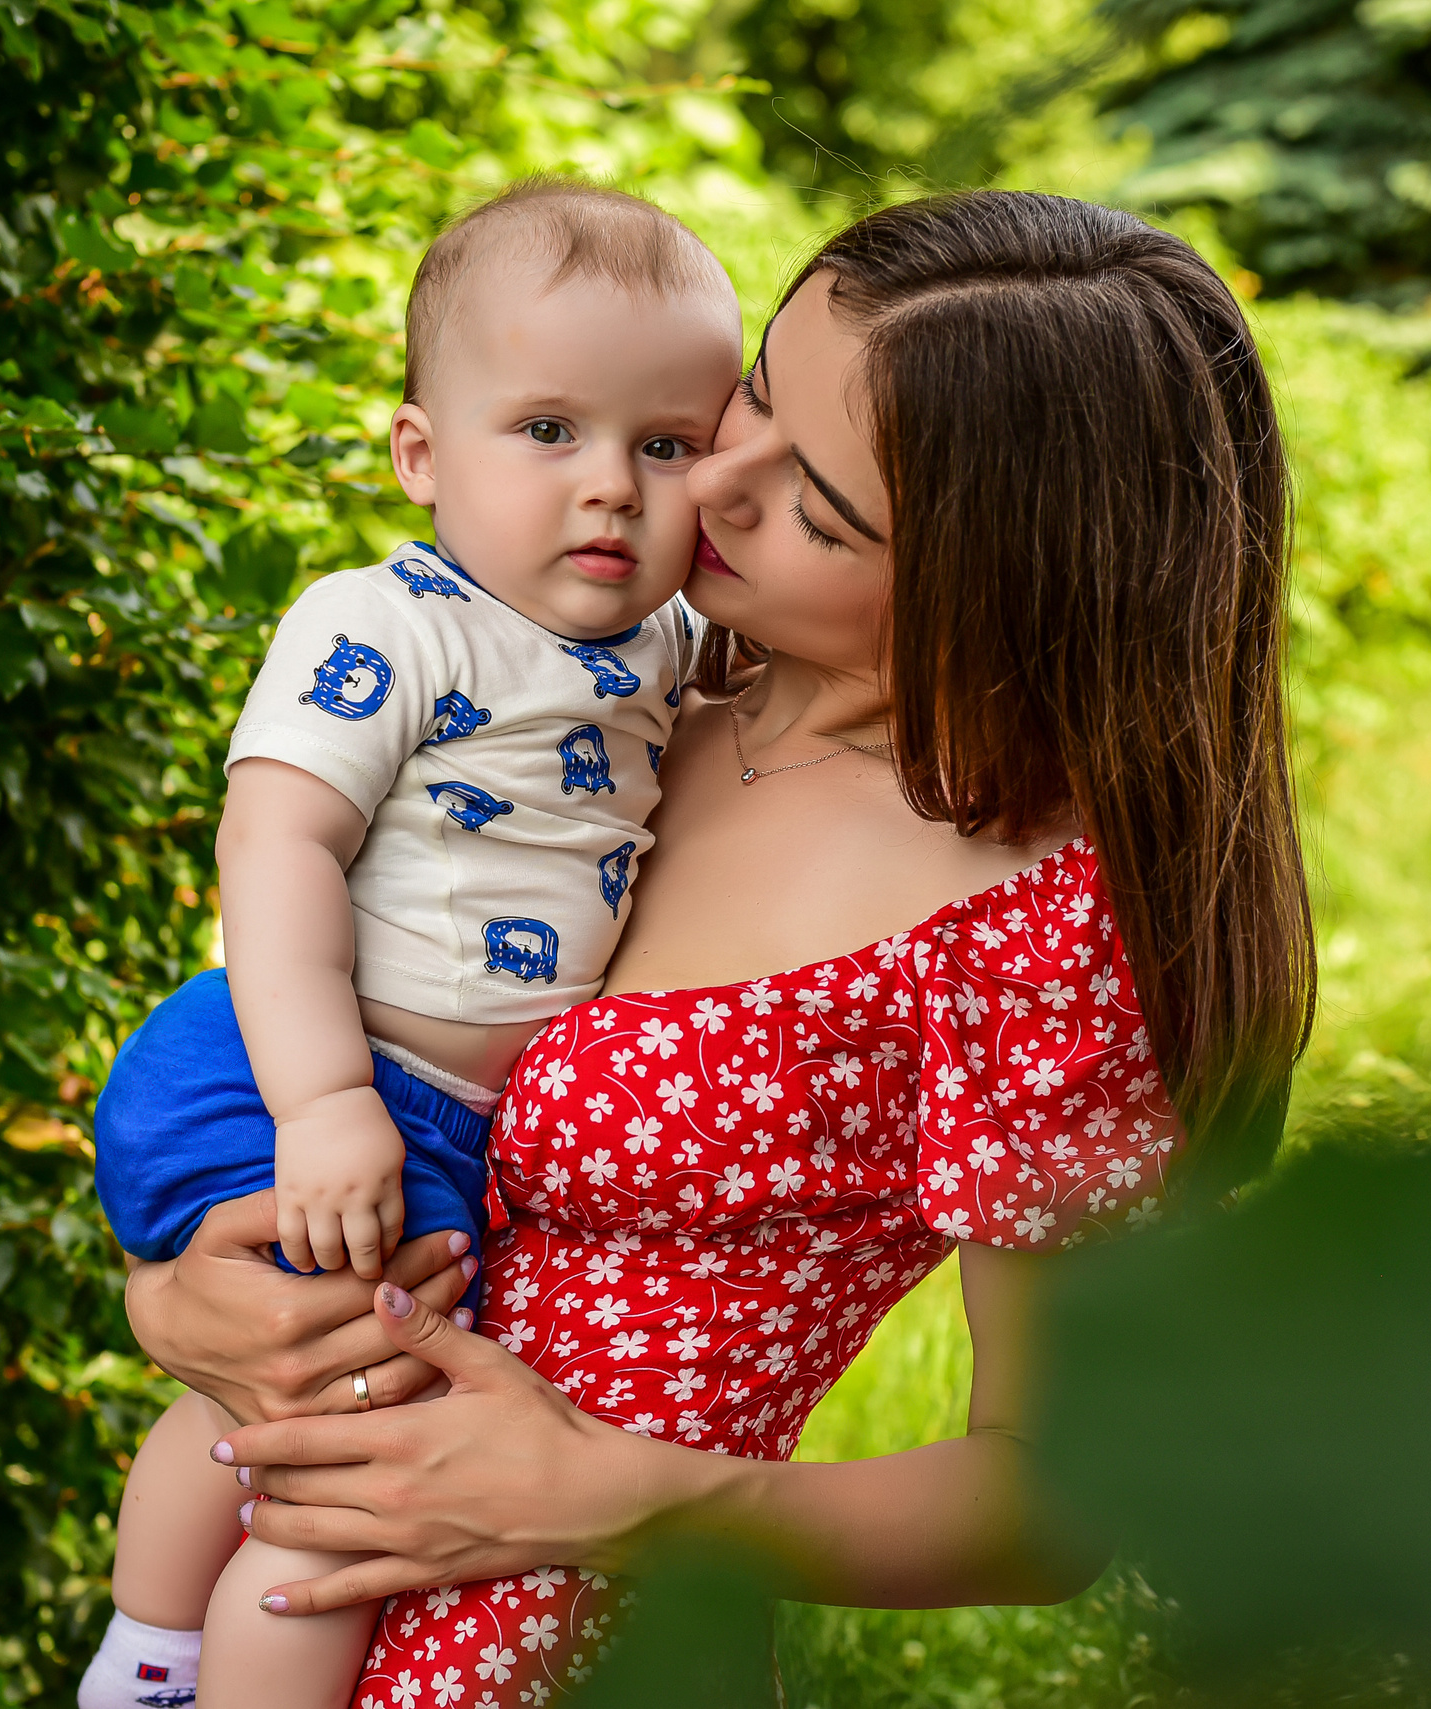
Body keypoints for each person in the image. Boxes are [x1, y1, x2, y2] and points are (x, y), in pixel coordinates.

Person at [120, 189, 1316, 1708]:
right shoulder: (609, 698)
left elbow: (1054, 1501)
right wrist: (186, 1300)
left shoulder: (1030, 935)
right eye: (753, 387)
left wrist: (606, 1494)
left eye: (817, 505)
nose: (707, 480)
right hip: (280, 1582)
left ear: (1002, 588)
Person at [73, 180, 743, 1709]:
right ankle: (186, 1658)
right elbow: (276, 844)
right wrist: (323, 1104)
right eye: (549, 431)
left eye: (667, 445)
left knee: (310, 1391)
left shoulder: (669, 644)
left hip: (437, 1115)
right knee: (345, 1429)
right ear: (420, 457)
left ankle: (160, 1645)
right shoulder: (388, 623)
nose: (612, 493)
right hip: (290, 1063)